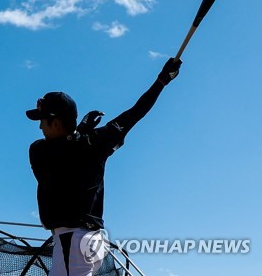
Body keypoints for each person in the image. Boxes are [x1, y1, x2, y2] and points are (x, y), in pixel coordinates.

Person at [26, 58, 182, 276]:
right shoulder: (91, 143)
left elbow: (131, 115)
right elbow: (134, 114)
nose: (40, 125)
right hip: (91, 239)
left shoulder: (45, 149)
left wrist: (80, 133)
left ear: (56, 121)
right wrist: (161, 81)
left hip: (74, 239)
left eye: (43, 120)